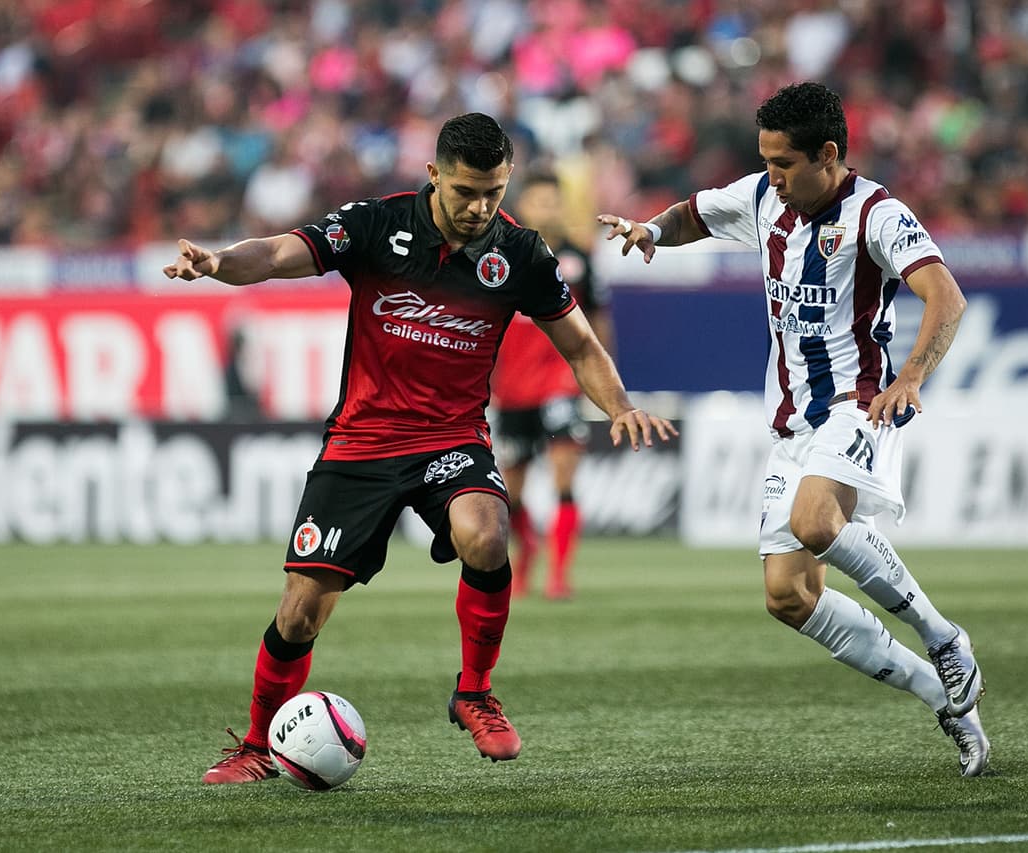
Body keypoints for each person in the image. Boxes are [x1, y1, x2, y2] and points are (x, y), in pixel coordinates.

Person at [164, 113, 676, 783]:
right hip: (362, 442)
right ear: (434, 174)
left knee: (488, 534)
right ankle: (257, 743)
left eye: (493, 191)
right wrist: (219, 263)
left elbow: (578, 342)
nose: (479, 207)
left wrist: (621, 406)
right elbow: (280, 253)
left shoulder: (521, 253)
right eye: (466, 191)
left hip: (452, 438)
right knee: (300, 611)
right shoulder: (378, 224)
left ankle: (475, 691)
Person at [599, 82, 989, 777]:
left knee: (815, 521)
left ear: (829, 154)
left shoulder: (877, 213)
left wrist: (912, 377)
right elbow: (696, 214)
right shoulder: (763, 199)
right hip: (791, 425)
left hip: (858, 403)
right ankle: (942, 696)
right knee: (788, 594)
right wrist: (650, 231)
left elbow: (946, 295)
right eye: (766, 162)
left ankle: (945, 638)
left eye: (784, 164)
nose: (772, 177)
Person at [489, 170, 615, 600]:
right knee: (513, 489)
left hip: (561, 382)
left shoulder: (577, 256)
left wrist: (600, 378)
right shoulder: (497, 255)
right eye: (538, 201)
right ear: (523, 207)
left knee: (564, 477)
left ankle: (560, 575)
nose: (545, 209)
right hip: (513, 387)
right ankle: (526, 556)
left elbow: (597, 322)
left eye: (552, 201)